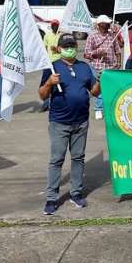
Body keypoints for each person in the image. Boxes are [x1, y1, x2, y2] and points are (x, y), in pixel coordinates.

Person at [39, 34, 100, 214]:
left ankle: (76, 192)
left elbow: (95, 92)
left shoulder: (84, 67)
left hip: (81, 122)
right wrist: (49, 83)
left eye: (72, 45)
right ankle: (51, 198)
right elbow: (42, 95)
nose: (70, 48)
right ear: (59, 49)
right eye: (66, 46)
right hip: (60, 122)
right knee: (56, 159)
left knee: (78, 158)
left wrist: (100, 81)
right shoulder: (51, 68)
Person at [83, 14, 121, 120]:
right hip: (97, 67)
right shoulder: (92, 36)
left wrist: (118, 63)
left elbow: (117, 50)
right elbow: (86, 54)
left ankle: (109, 108)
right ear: (100, 24)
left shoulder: (111, 35)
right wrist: (98, 53)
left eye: (109, 23)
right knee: (99, 88)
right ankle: (98, 109)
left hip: (111, 67)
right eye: (106, 23)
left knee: (110, 88)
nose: (109, 24)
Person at [41, 20, 62, 111]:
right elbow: (44, 48)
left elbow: (64, 49)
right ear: (51, 26)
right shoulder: (47, 35)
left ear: (58, 26)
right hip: (49, 63)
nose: (54, 27)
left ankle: (57, 103)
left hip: (59, 62)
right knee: (45, 82)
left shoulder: (61, 36)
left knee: (58, 83)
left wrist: (57, 49)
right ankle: (45, 104)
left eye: (56, 25)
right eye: (53, 25)